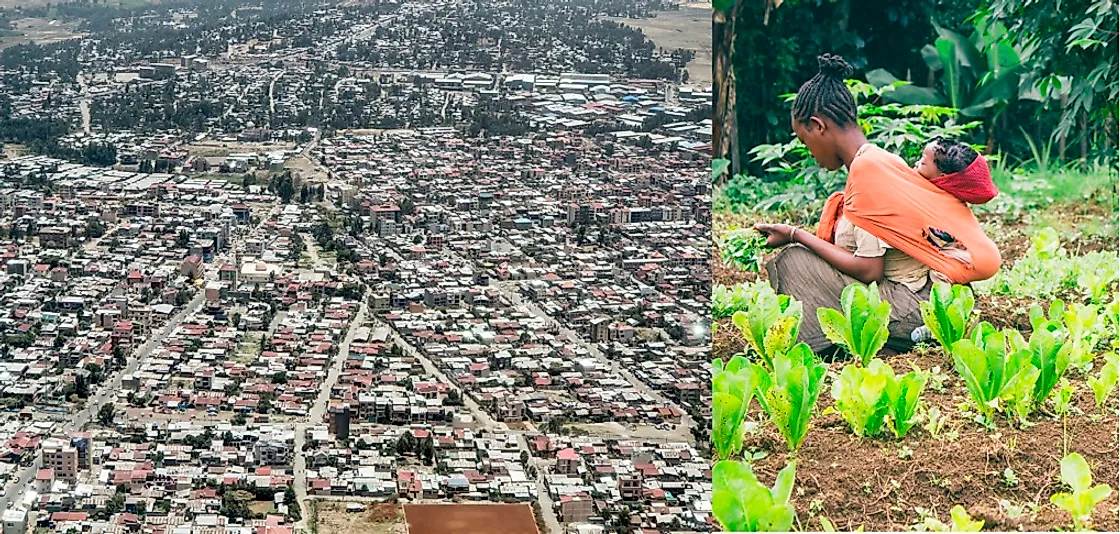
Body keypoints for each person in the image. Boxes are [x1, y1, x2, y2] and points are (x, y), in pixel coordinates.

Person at [754, 54, 1001, 356]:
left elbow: (870, 270)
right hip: (921, 296)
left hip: (911, 306)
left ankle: (866, 344)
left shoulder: (868, 172)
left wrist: (794, 234)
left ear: (818, 126)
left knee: (793, 261)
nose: (810, 153)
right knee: (803, 258)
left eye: (805, 142)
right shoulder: (879, 160)